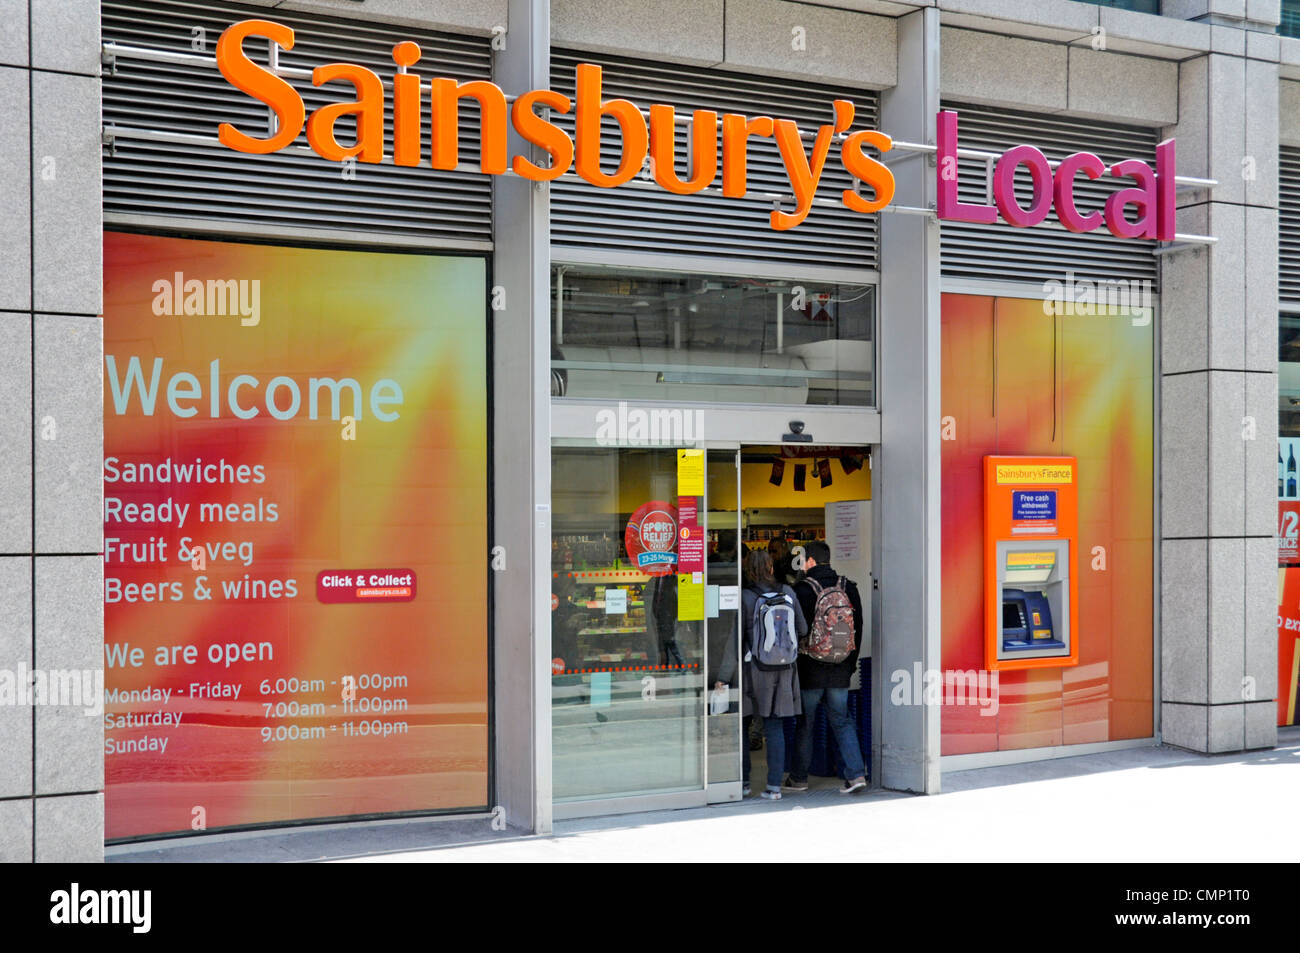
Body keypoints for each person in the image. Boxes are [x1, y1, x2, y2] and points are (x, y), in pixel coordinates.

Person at [785, 540, 868, 795]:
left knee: (806, 724)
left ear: (808, 561)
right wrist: (850, 664)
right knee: (842, 721)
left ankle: (799, 779)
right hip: (840, 668)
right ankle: (855, 775)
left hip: (810, 670)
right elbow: (859, 628)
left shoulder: (801, 590)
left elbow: (793, 631)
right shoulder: (848, 588)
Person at [741, 549, 807, 800]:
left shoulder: (746, 596)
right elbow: (802, 628)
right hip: (785, 670)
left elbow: (737, 639)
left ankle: (744, 783)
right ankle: (774, 788)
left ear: (749, 569)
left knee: (744, 726)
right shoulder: (787, 592)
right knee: (775, 727)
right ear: (771, 567)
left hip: (754, 669)